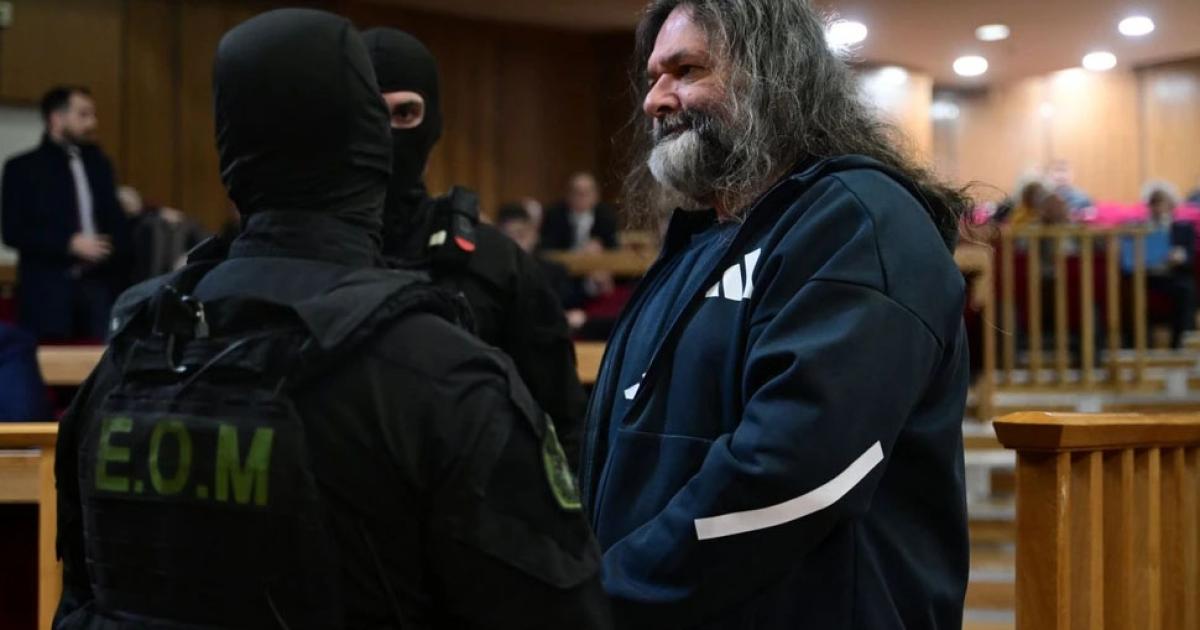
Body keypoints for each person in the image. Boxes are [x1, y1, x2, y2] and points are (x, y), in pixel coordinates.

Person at [53, 10, 610, 629]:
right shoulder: (441, 377)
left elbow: (80, 601)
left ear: (230, 153)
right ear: (370, 147)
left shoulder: (131, 360)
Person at [579, 1, 971, 627]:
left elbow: (798, 475)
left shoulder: (860, 222)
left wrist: (608, 593)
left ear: (772, 74)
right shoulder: (701, 243)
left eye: (686, 70)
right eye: (653, 77)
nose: (655, 100)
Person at [362, 27, 587, 464]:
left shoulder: (496, 265)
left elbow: (563, 426)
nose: (386, 135)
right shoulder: (303, 262)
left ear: (433, 123)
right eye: (369, 113)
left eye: (405, 113)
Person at [1, 86, 129, 341]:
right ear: (56, 119)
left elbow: (115, 221)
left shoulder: (99, 164)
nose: (92, 123)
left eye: (93, 114)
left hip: (99, 290)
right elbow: (13, 231)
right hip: (48, 294)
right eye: (83, 114)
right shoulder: (22, 168)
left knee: (104, 360)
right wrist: (69, 243)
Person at [1122, 182, 1196, 348]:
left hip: (1172, 275)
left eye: (1162, 203)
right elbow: (1128, 257)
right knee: (1129, 291)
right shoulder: (1138, 228)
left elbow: (1189, 257)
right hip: (1145, 277)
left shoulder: (1183, 228)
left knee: (1186, 289)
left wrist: (1181, 257)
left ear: (1171, 205)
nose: (1158, 208)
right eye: (1154, 203)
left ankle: (1181, 346)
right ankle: (1138, 346)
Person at [496, 202, 589, 331]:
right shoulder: (491, 273)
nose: (515, 243)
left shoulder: (555, 272)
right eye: (508, 236)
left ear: (534, 235)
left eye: (521, 235)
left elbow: (571, 308)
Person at [118, 185, 208, 284]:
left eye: (132, 199)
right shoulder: (135, 224)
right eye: (124, 202)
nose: (129, 204)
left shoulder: (157, 218)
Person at [540, 172, 620, 251]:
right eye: (577, 192)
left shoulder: (606, 216)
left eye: (586, 193)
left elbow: (613, 246)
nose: (582, 197)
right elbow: (547, 247)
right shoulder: (554, 214)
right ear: (568, 194)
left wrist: (600, 247)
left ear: (595, 195)